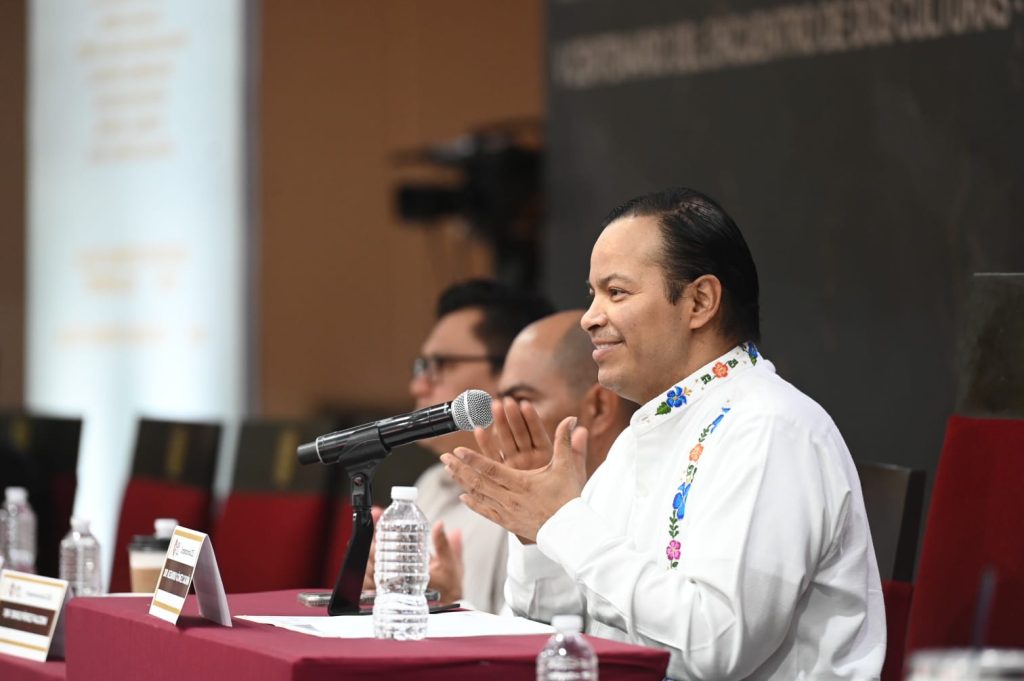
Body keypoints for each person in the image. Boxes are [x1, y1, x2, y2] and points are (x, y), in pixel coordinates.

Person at [442, 188, 886, 679]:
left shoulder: (769, 427)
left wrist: (562, 521)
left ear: (699, 301)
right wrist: (535, 536)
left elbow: (715, 647)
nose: (589, 317)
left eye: (616, 292)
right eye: (592, 295)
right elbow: (559, 635)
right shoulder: (641, 436)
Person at [391, 279, 553, 613]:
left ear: (510, 371)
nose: (417, 386)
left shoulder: (542, 499)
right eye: (421, 366)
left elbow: (532, 634)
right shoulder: (430, 484)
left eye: (440, 364)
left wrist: (447, 606)